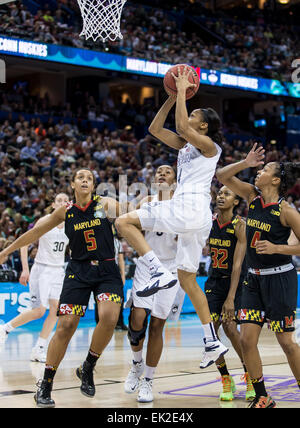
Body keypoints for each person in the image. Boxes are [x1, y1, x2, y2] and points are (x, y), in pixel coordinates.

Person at [116, 66, 228, 368]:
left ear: (203, 127)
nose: (188, 116)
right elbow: (155, 129)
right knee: (189, 280)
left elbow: (181, 126)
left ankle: (157, 272)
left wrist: (181, 93)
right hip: (197, 215)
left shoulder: (210, 147)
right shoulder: (187, 144)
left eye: (194, 116)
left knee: (123, 221)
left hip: (188, 207)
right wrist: (169, 98)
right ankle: (210, 341)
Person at [0, 168, 124, 408]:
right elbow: (33, 233)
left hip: (107, 269)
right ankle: (45, 385)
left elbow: (133, 211)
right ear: (73, 185)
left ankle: (87, 366)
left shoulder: (106, 203)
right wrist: (6, 251)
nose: (85, 180)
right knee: (66, 324)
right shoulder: (64, 212)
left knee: (109, 317)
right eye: (80, 177)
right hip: (78, 270)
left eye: (89, 177)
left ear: (94, 184)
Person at [216, 144, 300, 408]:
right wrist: (245, 162)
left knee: (286, 342)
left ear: (275, 179)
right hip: (252, 280)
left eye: (263, 169)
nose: (258, 172)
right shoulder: (252, 197)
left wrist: (278, 248)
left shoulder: (287, 211)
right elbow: (222, 176)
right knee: (246, 339)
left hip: (280, 279)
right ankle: (263, 395)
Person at [124, 164, 185, 403]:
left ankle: (148, 381)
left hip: (171, 269)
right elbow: (130, 230)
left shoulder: (182, 208)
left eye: (167, 171)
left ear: (175, 181)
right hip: (147, 266)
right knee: (138, 316)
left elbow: (189, 240)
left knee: (158, 325)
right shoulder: (146, 202)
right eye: (158, 171)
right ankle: (136, 365)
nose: (161, 173)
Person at [0, 193, 69, 364]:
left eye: (65, 200)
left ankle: (38, 349)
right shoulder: (45, 221)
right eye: (59, 200)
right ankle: (5, 329)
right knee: (39, 311)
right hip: (42, 270)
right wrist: (25, 269)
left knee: (56, 311)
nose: (62, 203)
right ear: (53, 205)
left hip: (58, 270)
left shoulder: (71, 224)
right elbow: (24, 243)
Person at [205, 186, 255, 401]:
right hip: (213, 282)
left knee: (231, 327)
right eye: (220, 193)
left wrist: (231, 298)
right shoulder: (209, 222)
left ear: (236, 202)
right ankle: (226, 378)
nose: (221, 196)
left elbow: (237, 266)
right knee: (211, 335)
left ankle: (250, 373)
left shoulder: (239, 226)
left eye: (227, 194)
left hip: (236, 283)